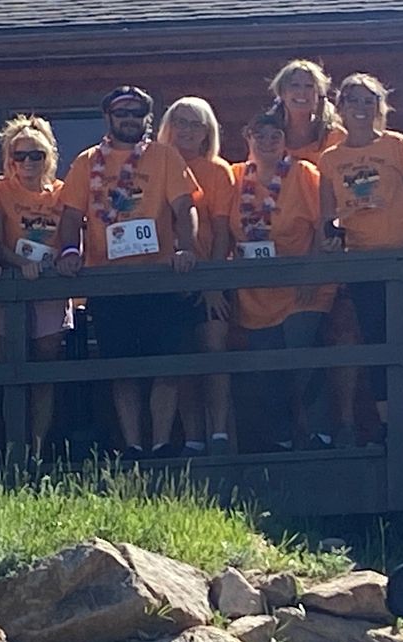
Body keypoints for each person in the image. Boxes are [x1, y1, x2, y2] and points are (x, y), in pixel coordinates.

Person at [56, 85, 200, 457]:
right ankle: (135, 445)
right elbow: (71, 215)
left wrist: (186, 248)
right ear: (109, 118)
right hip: (110, 283)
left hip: (158, 278)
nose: (130, 119)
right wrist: (70, 251)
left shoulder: (164, 157)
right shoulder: (87, 162)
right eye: (123, 113)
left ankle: (162, 443)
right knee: (122, 371)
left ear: (146, 119)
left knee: (166, 368)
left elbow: (185, 208)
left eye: (137, 113)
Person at [320, 73, 403, 442]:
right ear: (341, 108)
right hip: (362, 259)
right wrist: (331, 237)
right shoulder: (332, 158)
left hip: (402, 256)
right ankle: (388, 426)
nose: (361, 107)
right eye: (353, 100)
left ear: (380, 107)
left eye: (369, 100)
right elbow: (327, 213)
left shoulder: (397, 146)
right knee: (377, 339)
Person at [227, 113, 336, 450]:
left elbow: (325, 226)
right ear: (247, 136)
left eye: (276, 134)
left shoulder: (303, 174)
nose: (269, 141)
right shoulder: (233, 177)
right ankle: (282, 439)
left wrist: (313, 275)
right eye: (261, 134)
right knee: (267, 371)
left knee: (303, 360)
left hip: (303, 289)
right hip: (256, 294)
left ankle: (320, 434)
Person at [264, 58, 359, 447]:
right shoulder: (270, 135)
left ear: (321, 95)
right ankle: (301, 430)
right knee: (295, 345)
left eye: (309, 86)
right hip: (287, 255)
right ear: (281, 93)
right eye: (294, 86)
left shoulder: (335, 138)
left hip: (336, 247)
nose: (301, 93)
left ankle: (344, 425)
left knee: (343, 337)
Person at [0, 114, 73, 449]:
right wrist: (20, 263)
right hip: (11, 287)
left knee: (44, 371)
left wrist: (65, 258)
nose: (27, 162)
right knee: (11, 369)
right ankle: (14, 446)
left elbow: (70, 240)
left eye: (35, 155)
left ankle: (37, 446)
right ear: (9, 160)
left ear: (49, 156)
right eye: (19, 156)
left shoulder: (63, 193)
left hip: (49, 288)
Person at [157, 96, 234, 455]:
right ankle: (193, 437)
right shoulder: (155, 165)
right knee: (181, 357)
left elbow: (222, 231)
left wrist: (214, 282)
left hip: (207, 273)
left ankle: (219, 434)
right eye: (181, 122)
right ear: (168, 128)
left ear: (208, 132)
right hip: (165, 277)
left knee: (215, 353)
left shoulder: (218, 171)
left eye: (195, 124)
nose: (187, 131)